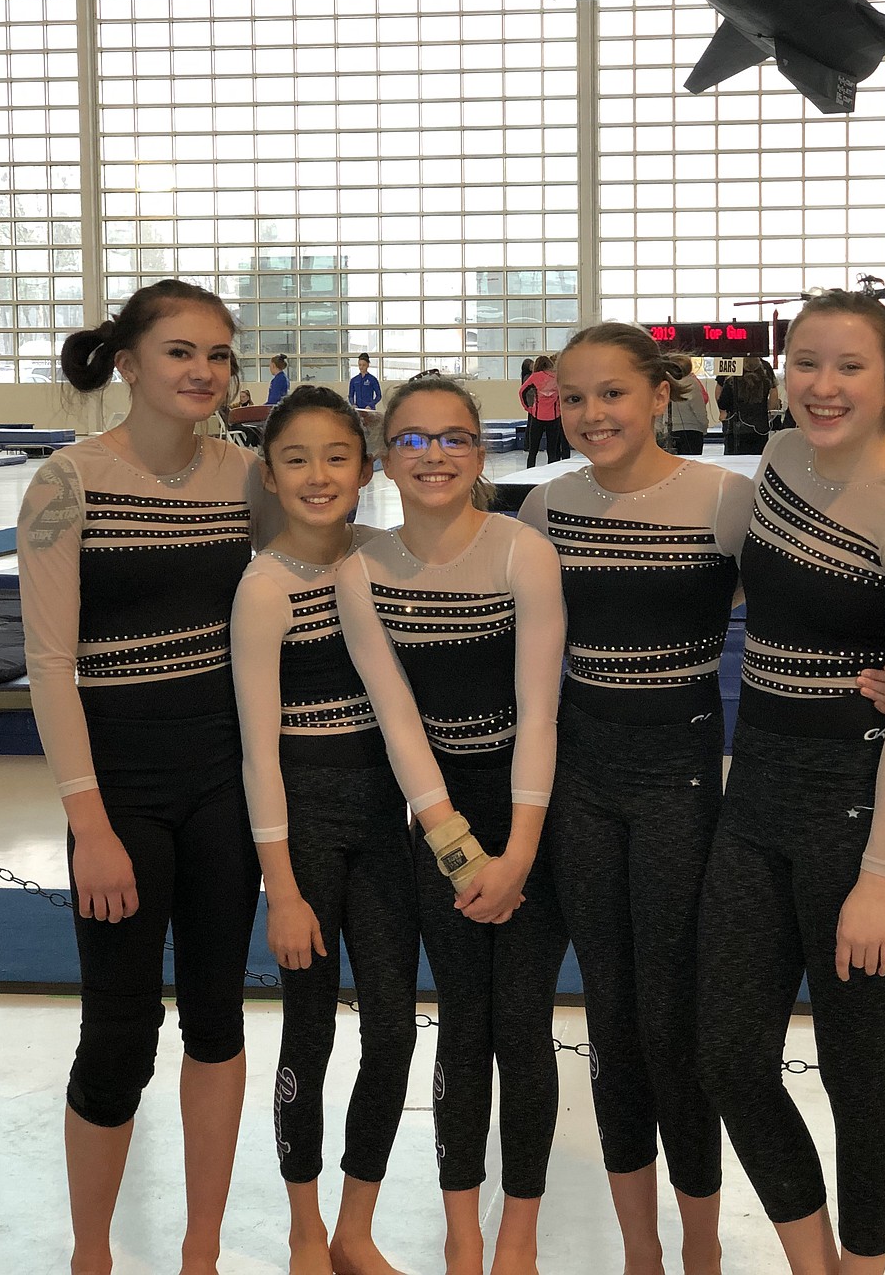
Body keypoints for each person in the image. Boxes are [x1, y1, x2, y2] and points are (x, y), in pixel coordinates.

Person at [698, 290, 885, 1274]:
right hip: (756, 796)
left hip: (855, 814)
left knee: (857, 1073)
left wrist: (880, 876)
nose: (823, 385)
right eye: (806, 362)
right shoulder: (776, 463)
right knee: (727, 1055)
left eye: (850, 366)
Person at [17, 279, 278, 1275]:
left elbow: (298, 598)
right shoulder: (66, 482)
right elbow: (50, 662)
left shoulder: (243, 477)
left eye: (217, 353)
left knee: (216, 1018)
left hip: (221, 786)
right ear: (128, 362)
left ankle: (201, 1251)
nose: (204, 371)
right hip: (121, 793)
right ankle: (93, 1254)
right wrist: (89, 823)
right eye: (181, 352)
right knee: (119, 1031)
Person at [519, 321, 753, 1275]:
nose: (590, 414)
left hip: (680, 778)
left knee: (672, 1016)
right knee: (611, 1015)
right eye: (572, 398)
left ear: (661, 395)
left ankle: (702, 1244)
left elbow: (811, 613)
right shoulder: (545, 508)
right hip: (582, 777)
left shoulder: (724, 501)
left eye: (611, 393)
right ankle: (641, 1250)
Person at [336, 378, 569, 1275]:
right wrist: (459, 849)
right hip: (439, 824)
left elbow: (539, 712)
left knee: (523, 1026)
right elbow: (398, 719)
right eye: (413, 441)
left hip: (530, 812)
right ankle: (461, 1232)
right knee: (464, 1024)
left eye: (455, 440)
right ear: (384, 457)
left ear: (483, 452)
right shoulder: (361, 569)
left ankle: (520, 1234)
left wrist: (517, 854)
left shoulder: (522, 550)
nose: (434, 456)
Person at [231, 385, 418, 1275]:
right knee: (309, 1029)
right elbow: (258, 754)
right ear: (270, 474)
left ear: (367, 468)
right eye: (296, 459)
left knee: (393, 1029)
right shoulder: (265, 588)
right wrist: (283, 888)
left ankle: (356, 1224)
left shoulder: (381, 559)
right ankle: (304, 1226)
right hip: (303, 822)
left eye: (336, 457)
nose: (318, 476)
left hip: (385, 820)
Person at [719, 356, 776, 455]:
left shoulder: (732, 382)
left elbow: (723, 404)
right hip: (760, 428)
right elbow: (772, 395)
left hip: (737, 428)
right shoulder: (766, 382)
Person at [520, 354, 565, 468]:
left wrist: (528, 408)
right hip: (554, 417)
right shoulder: (556, 377)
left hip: (537, 416)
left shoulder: (535, 376)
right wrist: (560, 408)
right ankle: (552, 472)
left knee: (533, 450)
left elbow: (522, 392)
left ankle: (529, 472)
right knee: (552, 450)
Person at [658, 358, 709, 454]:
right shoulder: (692, 383)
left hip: (668, 431)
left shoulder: (663, 383)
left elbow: (658, 408)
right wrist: (704, 427)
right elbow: (698, 409)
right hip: (692, 432)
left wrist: (659, 429)